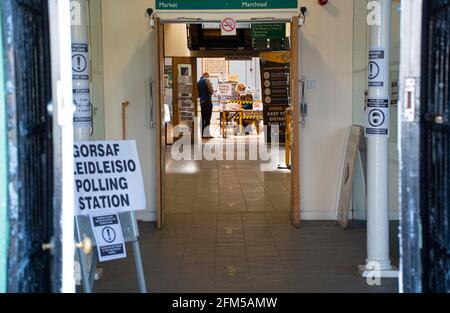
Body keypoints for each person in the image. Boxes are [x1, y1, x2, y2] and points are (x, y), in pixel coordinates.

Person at [197, 72, 214, 138]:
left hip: (202, 102)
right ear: (206, 76)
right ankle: (207, 134)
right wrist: (211, 92)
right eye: (208, 76)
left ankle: (202, 134)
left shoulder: (198, 82)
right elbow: (211, 91)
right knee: (208, 118)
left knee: (203, 117)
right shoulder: (207, 80)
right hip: (207, 101)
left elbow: (198, 95)